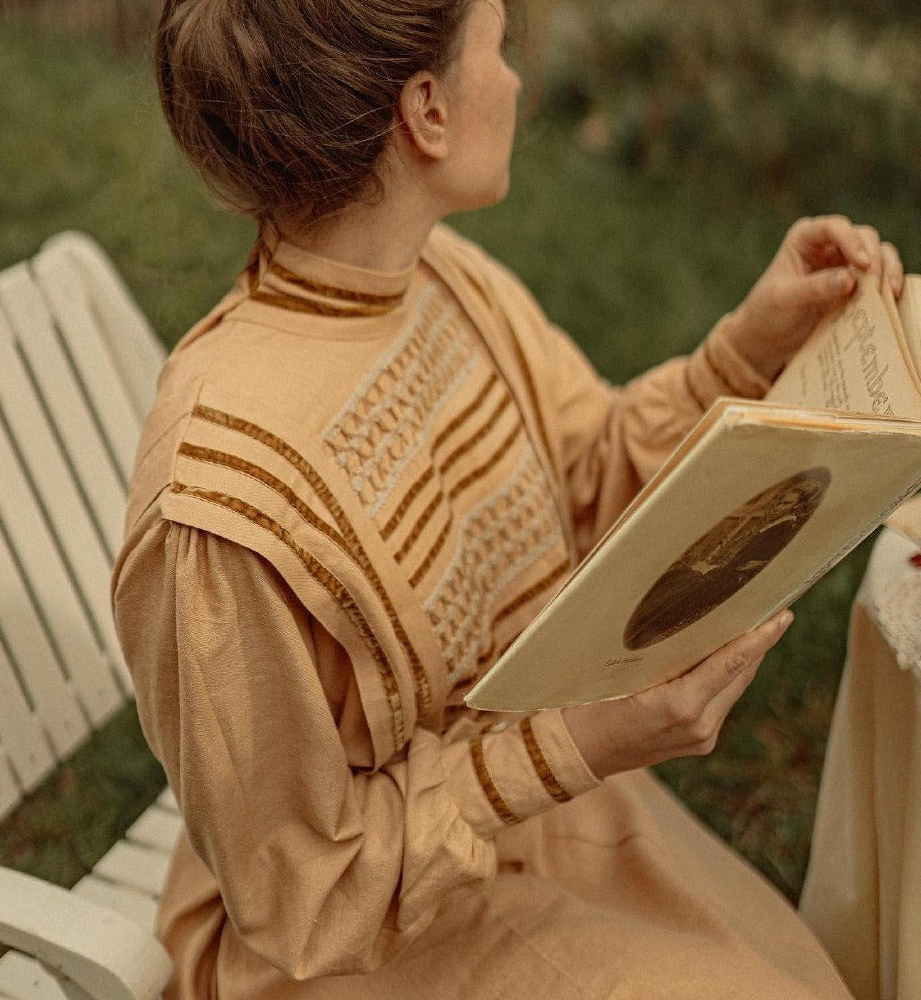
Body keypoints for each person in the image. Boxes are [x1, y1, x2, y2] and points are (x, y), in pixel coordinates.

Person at [112, 0, 904, 997]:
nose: (519, 83)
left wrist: (752, 343)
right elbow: (302, 897)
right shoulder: (221, 503)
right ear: (428, 112)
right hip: (341, 941)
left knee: (801, 978)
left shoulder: (441, 278)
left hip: (510, 796)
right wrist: (583, 743)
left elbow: (588, 474)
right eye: (498, 50)